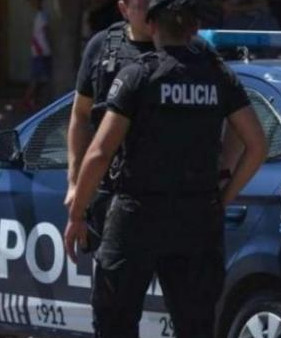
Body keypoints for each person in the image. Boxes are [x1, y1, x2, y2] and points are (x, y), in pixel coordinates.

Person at [63, 0, 268, 336]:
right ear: (192, 28)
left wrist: (76, 212)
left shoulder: (138, 75)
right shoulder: (215, 74)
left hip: (136, 213)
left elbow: (100, 152)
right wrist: (222, 196)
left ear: (155, 25)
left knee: (115, 320)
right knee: (196, 323)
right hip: (197, 214)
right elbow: (256, 143)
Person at [66, 0, 155, 254]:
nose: (151, 11)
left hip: (169, 195)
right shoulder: (103, 47)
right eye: (142, 5)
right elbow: (80, 115)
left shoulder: (183, 50)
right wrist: (75, 184)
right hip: (114, 192)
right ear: (123, 8)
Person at [20, 0, 52, 112]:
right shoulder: (41, 17)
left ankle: (31, 100)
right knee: (36, 78)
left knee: (39, 78)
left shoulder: (41, 16)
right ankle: (27, 100)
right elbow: (41, 34)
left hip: (41, 50)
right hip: (40, 51)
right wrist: (41, 50)